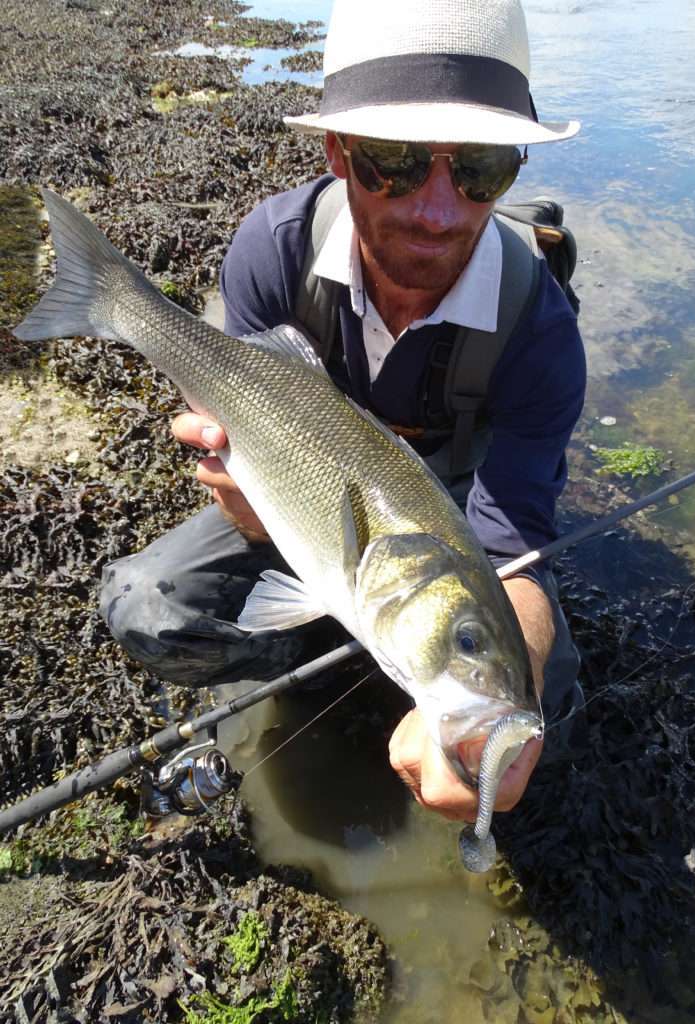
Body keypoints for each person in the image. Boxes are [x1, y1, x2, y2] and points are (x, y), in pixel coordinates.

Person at [100, 0, 586, 826]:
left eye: (479, 169)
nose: (438, 211)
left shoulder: (540, 333)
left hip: (460, 518)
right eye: (395, 162)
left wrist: (509, 693)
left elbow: (512, 551)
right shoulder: (276, 248)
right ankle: (350, 653)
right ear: (338, 151)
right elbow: (241, 433)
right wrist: (244, 498)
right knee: (147, 606)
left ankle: (400, 659)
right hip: (305, 490)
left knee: (552, 705)